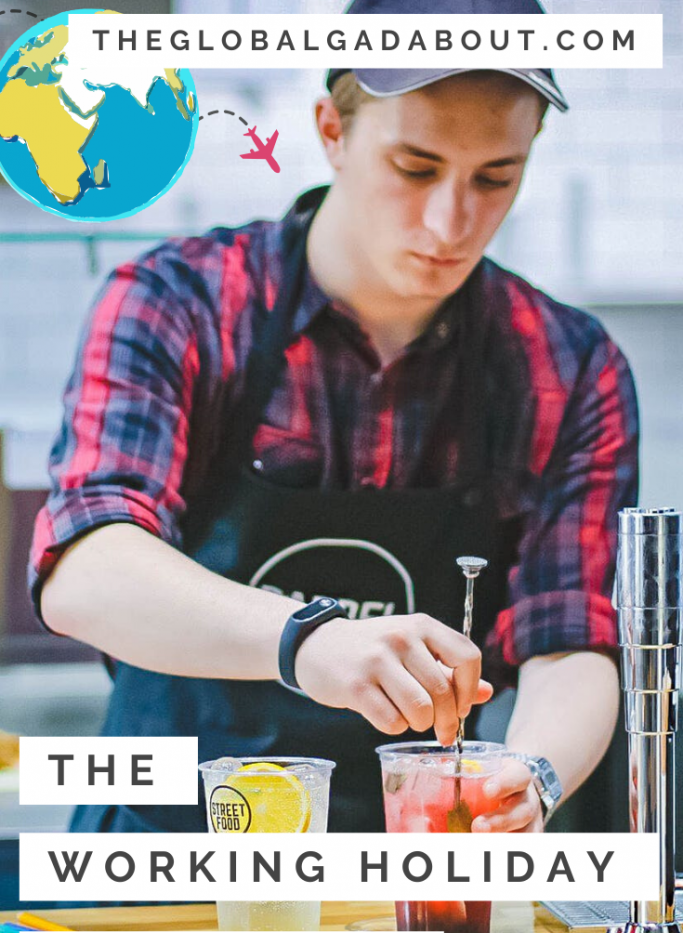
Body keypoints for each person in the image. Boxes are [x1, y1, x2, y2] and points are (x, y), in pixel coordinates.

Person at [30, 0, 638, 838]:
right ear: (331, 129)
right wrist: (305, 640)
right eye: (414, 166)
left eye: (494, 177)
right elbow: (85, 571)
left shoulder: (566, 365)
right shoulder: (180, 302)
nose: (449, 223)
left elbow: (570, 636)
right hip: (163, 848)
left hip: (412, 857)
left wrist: (530, 774)